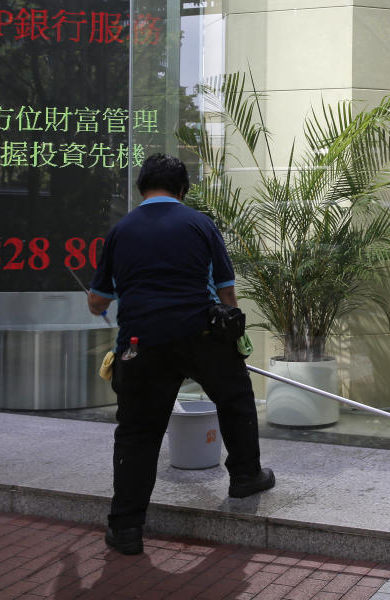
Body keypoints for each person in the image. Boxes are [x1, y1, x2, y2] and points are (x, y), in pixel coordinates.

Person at [87, 153, 275, 556]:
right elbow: (226, 290)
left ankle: (126, 528)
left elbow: (98, 300)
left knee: (138, 433)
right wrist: (233, 332)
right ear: (182, 189)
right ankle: (245, 476)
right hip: (200, 332)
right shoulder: (200, 223)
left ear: (141, 188)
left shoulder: (121, 230)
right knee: (236, 398)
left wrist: (99, 303)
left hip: (141, 343)